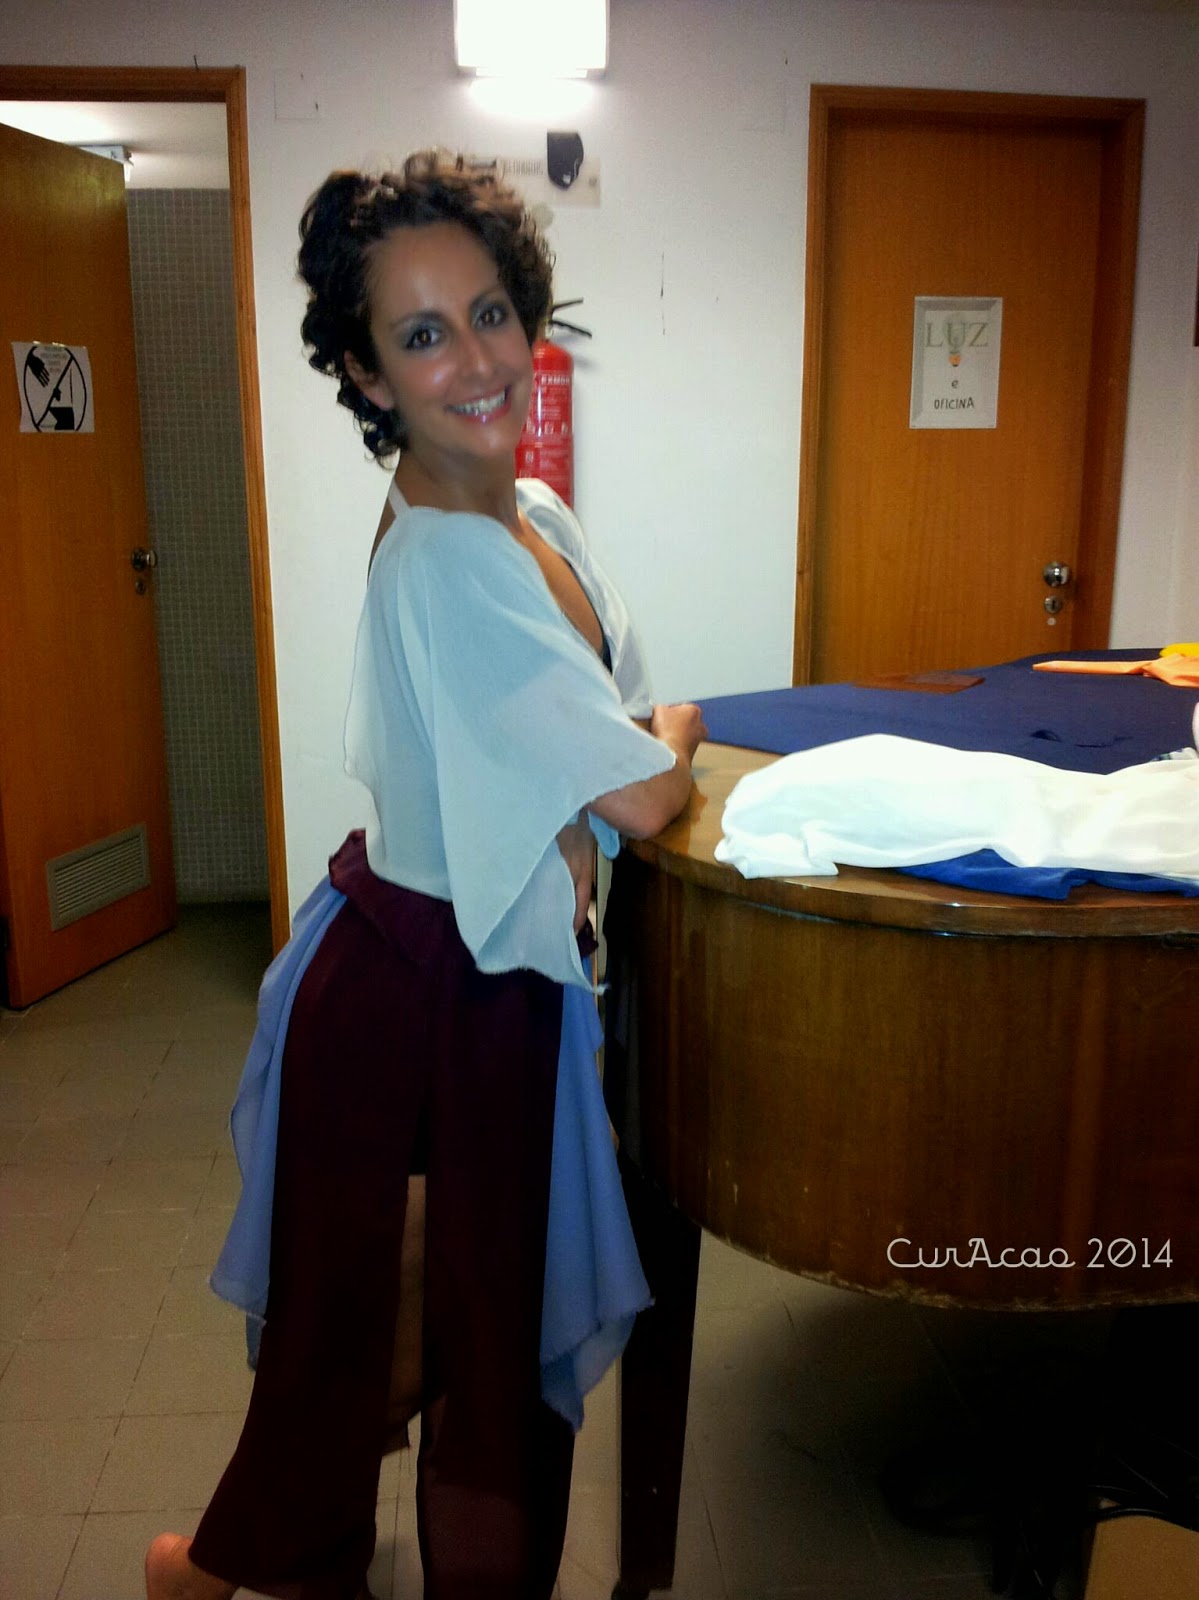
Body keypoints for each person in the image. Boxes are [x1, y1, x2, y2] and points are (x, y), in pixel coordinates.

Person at [145, 150, 706, 1600]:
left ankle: (222, 1569)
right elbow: (643, 783)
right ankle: (227, 1569)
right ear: (367, 372)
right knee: (415, 1336)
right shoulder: (454, 556)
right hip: (420, 997)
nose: (478, 360)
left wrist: (631, 745)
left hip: (469, 979)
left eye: (491, 312)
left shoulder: (531, 514)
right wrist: (679, 732)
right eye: (422, 333)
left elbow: (599, 739)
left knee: (408, 1328)